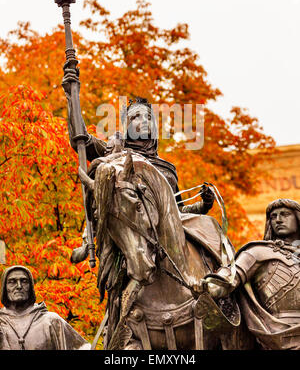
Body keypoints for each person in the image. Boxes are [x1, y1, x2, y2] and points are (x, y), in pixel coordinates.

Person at [62, 70, 215, 262]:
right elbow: (80, 140)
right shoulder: (114, 154)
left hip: (167, 241)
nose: (143, 121)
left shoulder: (167, 170)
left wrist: (204, 205)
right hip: (129, 238)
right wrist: (71, 96)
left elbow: (176, 213)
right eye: (136, 118)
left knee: (210, 231)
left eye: (148, 118)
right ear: (126, 127)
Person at [204, 198, 300, 350]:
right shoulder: (258, 252)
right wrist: (213, 285)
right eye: (273, 217)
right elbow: (231, 274)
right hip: (275, 335)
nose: (278, 220)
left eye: (285, 214)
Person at [0, 265, 90, 350]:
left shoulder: (51, 321)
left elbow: (83, 348)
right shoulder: (1, 322)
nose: (19, 286)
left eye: (24, 281)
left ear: (31, 287)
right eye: (12, 282)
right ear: (4, 288)